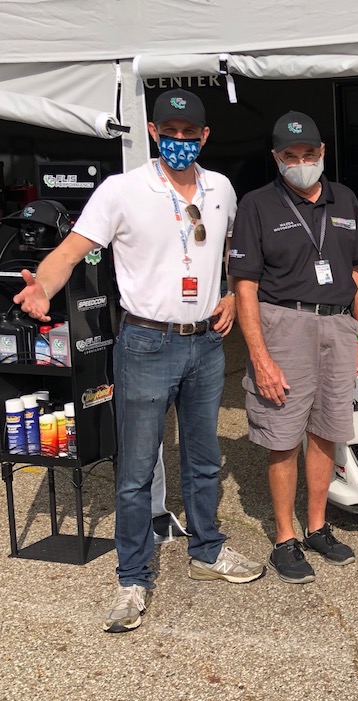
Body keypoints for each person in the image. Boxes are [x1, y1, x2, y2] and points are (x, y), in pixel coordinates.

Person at [15, 88, 265, 634]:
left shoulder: (221, 188)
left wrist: (227, 293)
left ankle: (207, 551)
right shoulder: (121, 190)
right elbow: (71, 250)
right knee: (135, 471)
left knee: (202, 458)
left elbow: (230, 250)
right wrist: (43, 288)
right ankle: (132, 578)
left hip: (206, 343)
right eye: (168, 132)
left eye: (189, 133)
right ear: (153, 132)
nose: (179, 141)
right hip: (147, 343)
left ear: (204, 136)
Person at [229, 111, 358, 584]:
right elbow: (244, 287)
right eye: (290, 156)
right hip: (284, 325)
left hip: (338, 325)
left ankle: (317, 527)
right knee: (283, 435)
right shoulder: (257, 205)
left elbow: (355, 272)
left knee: (327, 430)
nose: (301, 163)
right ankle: (284, 538)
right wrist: (260, 357)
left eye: (309, 154)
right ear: (276, 158)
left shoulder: (345, 198)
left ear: (322, 152)